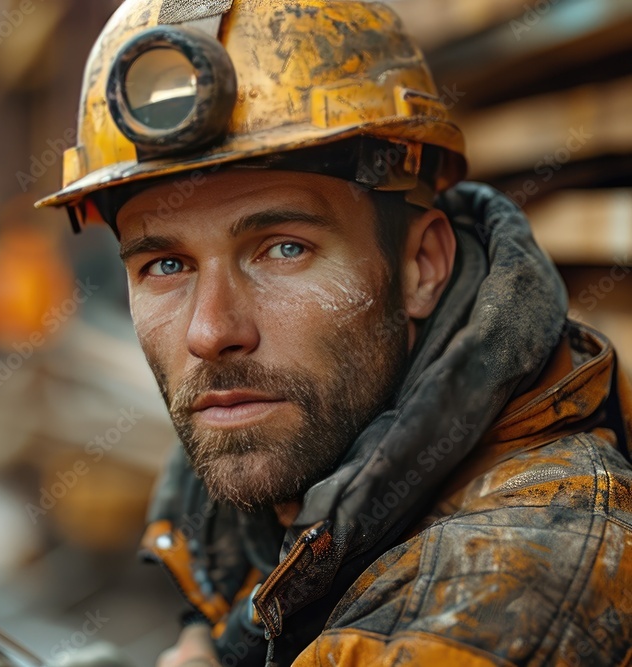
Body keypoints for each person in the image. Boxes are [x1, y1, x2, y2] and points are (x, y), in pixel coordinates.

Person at [36, 0, 632, 665]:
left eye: (283, 249)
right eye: (166, 264)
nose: (211, 331)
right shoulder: (277, 498)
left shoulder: (510, 582)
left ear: (420, 266)